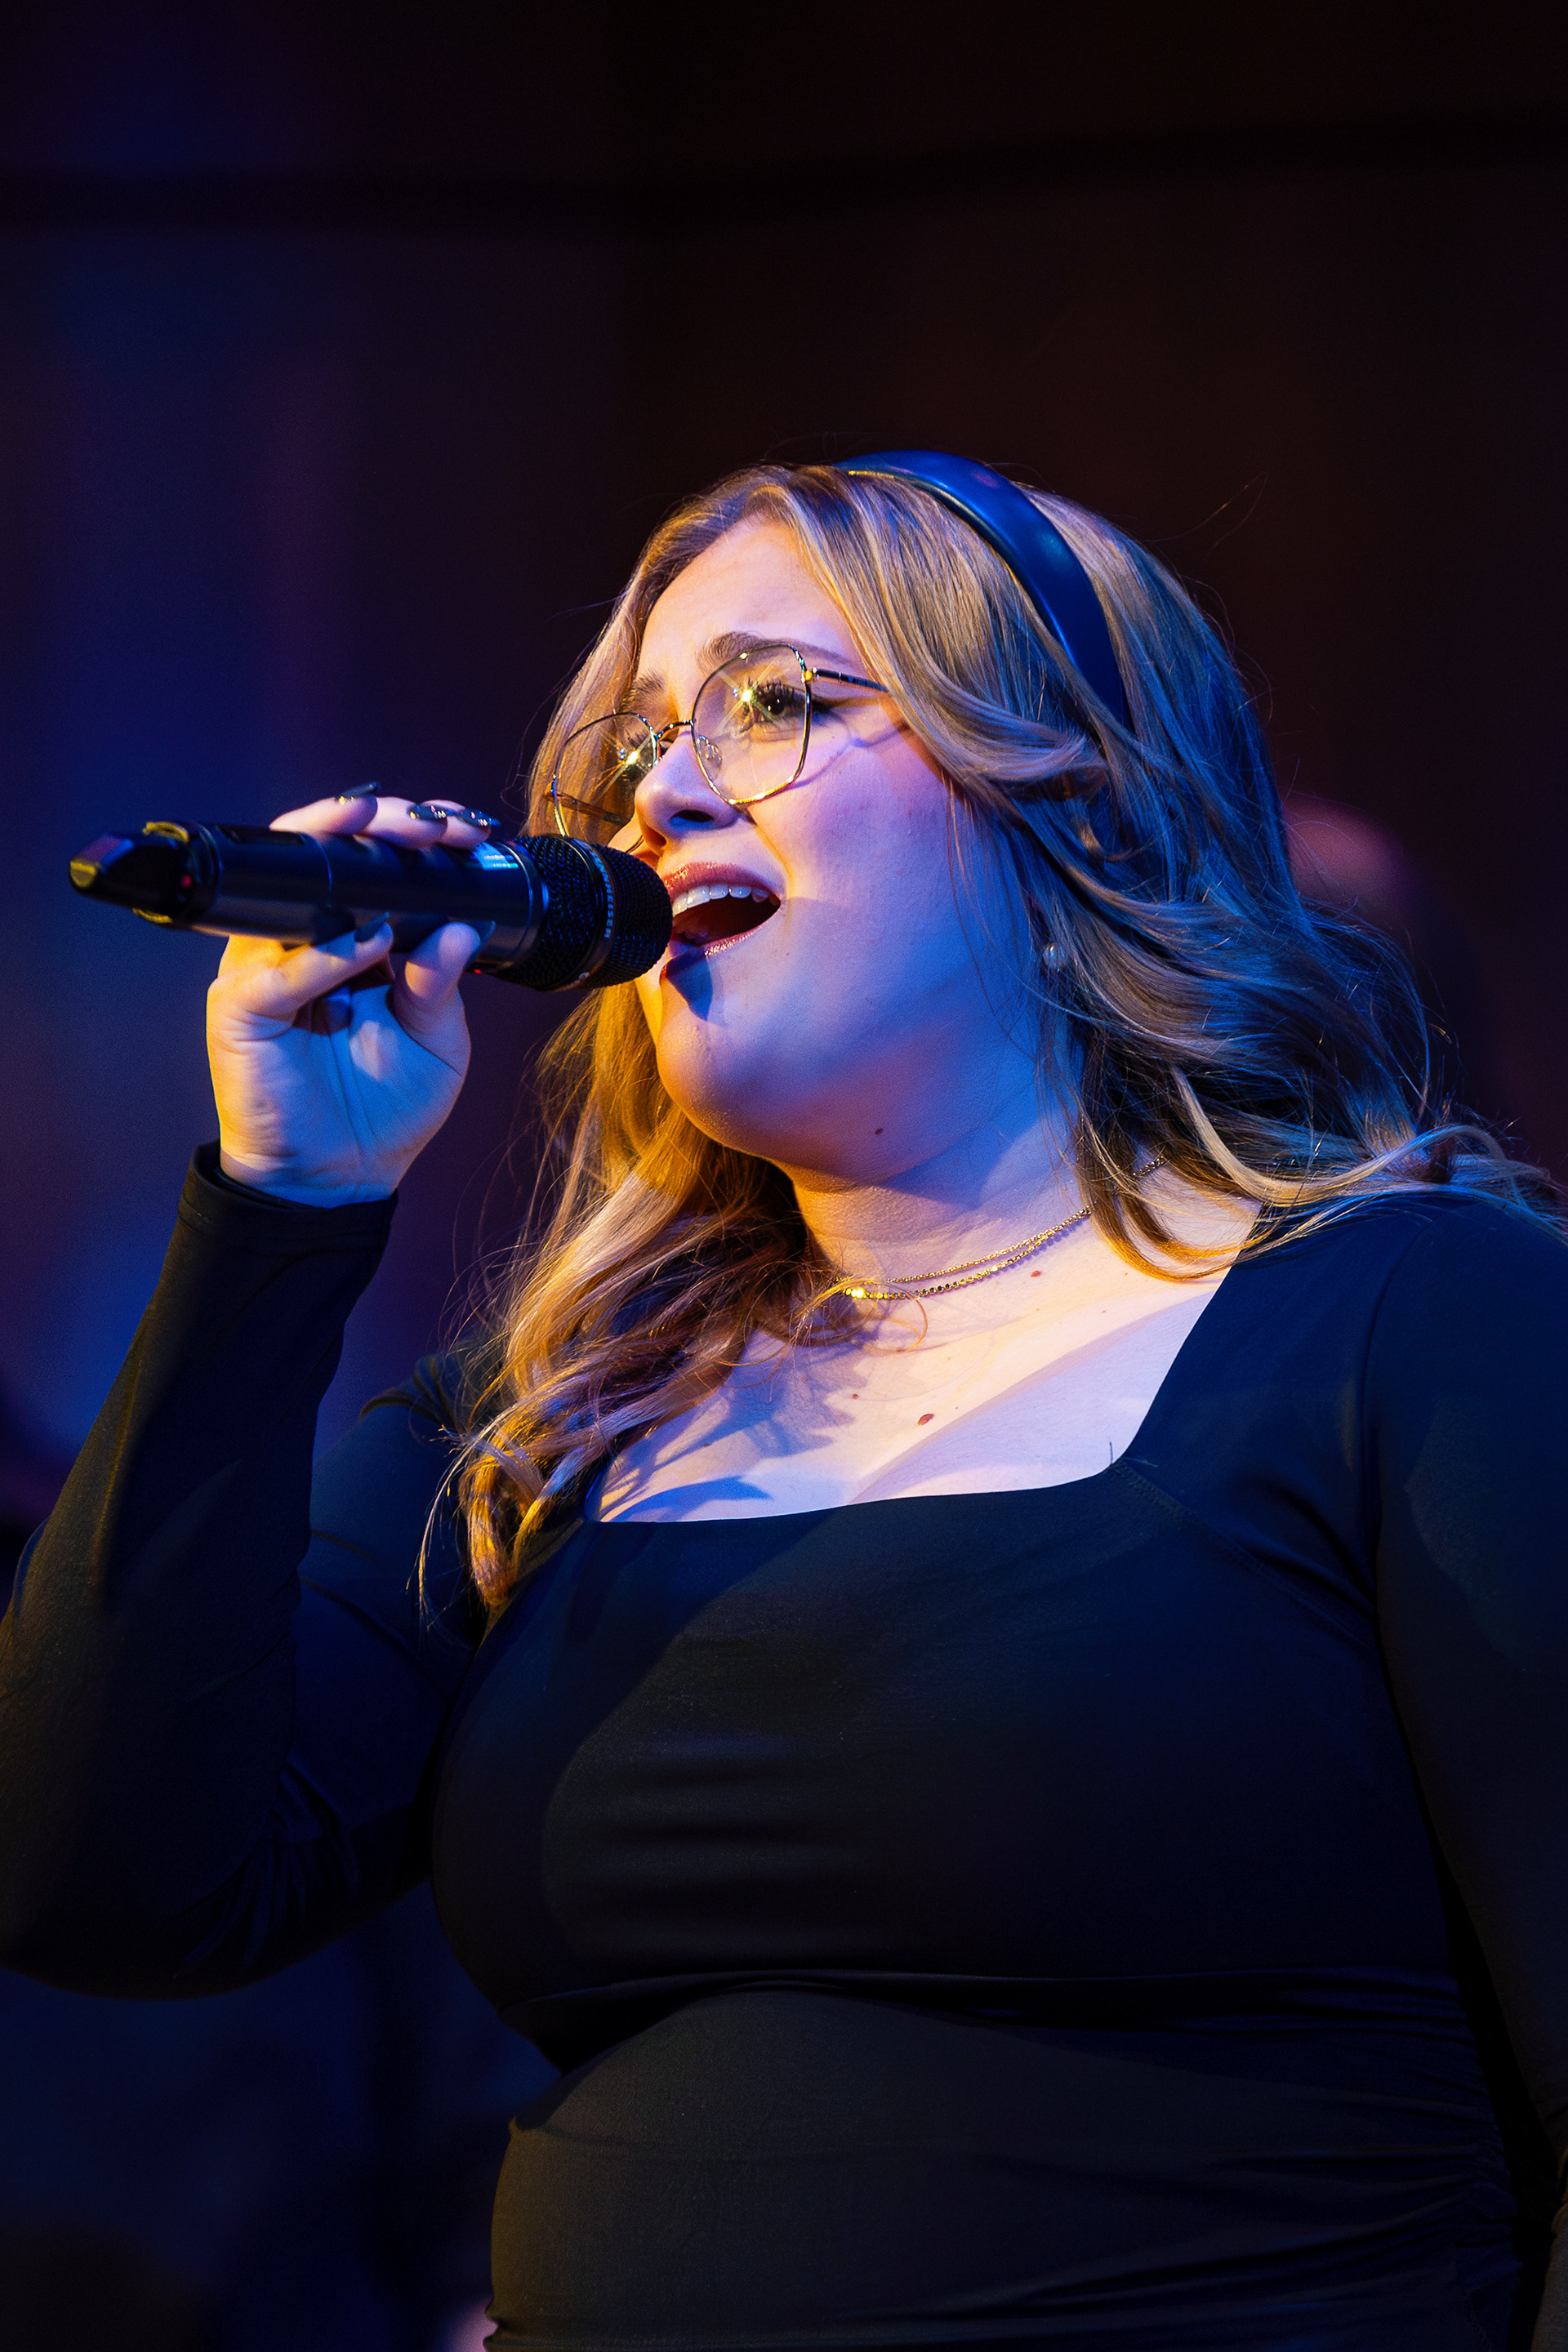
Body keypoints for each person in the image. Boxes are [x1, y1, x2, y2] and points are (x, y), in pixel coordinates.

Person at [1, 454, 1564, 2352]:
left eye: (774, 703)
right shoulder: (550, 1428)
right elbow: (102, 1875)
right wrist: (283, 1206)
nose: (661, 790)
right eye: (640, 738)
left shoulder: (1423, 1322)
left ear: (1074, 802)